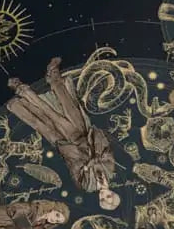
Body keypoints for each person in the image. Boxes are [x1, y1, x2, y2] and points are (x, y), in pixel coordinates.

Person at [7, 57, 121, 210]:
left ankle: (21, 89)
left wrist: (90, 162)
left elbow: (74, 167)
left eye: (102, 199)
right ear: (113, 193)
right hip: (83, 133)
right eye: (108, 196)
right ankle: (53, 75)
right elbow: (106, 151)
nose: (104, 195)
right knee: (67, 103)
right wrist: (91, 162)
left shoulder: (87, 186)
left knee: (45, 116)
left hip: (66, 142)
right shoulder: (110, 171)